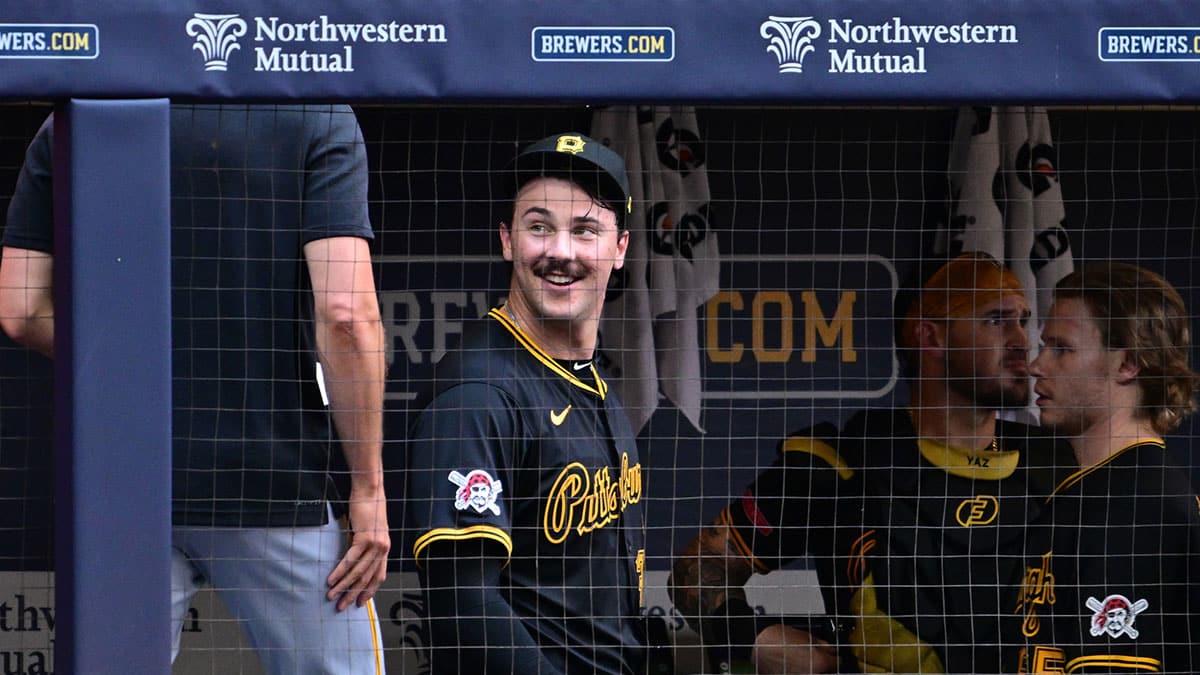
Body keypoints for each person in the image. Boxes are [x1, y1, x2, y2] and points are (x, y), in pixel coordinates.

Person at [0, 104, 389, 674]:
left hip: (128, 485)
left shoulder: (84, 112)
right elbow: (347, 316)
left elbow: (20, 307)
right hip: (273, 483)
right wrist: (369, 489)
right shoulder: (313, 109)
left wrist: (140, 367)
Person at [669, 252, 1074, 674]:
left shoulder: (1062, 463)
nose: (1021, 341)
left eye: (1022, 321)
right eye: (996, 320)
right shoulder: (840, 462)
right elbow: (697, 567)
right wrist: (755, 637)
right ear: (930, 337)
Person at [404, 132, 646, 674]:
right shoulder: (477, 393)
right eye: (539, 227)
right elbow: (464, 610)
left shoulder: (592, 380)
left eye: (585, 230)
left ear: (620, 248)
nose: (560, 251)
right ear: (507, 240)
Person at [1009, 262, 1200, 674]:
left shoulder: (1132, 506)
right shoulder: (1101, 492)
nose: (1037, 365)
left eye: (1062, 349)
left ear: (1128, 363)